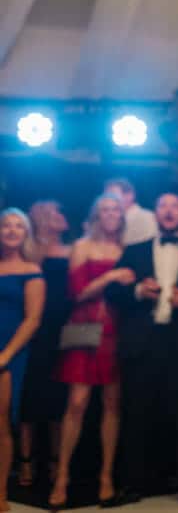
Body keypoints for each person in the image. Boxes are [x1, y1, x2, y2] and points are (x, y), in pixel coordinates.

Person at [105, 193, 178, 511]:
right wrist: (138, 291)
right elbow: (114, 290)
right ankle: (133, 484)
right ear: (156, 214)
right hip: (143, 344)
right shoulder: (135, 250)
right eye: (163, 205)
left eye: (174, 207)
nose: (168, 210)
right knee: (137, 414)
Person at [49, 194, 135, 511]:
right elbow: (77, 293)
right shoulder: (82, 246)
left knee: (112, 403)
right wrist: (112, 275)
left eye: (116, 210)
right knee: (77, 403)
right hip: (84, 327)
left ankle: (106, 477)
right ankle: (61, 478)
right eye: (105, 210)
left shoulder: (127, 249)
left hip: (117, 330)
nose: (111, 214)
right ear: (96, 215)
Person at [19, 201, 72, 487]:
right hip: (33, 329)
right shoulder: (30, 251)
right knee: (30, 397)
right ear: (42, 217)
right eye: (57, 212)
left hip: (64, 330)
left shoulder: (73, 249)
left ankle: (54, 461)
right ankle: (26, 462)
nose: (63, 216)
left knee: (57, 398)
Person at [0, 208, 45, 513]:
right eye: (6, 225)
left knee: (0, 425)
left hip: (8, 354)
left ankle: (0, 494)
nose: (12, 230)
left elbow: (32, 321)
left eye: (19, 226)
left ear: (26, 233)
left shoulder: (32, 270)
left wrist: (3, 356)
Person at [104, 178, 157, 246]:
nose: (108, 201)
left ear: (130, 195)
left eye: (113, 196)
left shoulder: (147, 218)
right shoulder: (114, 220)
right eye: (106, 197)